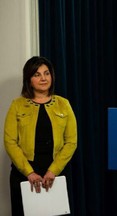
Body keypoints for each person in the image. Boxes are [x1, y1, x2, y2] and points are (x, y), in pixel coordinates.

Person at [4, 56, 77, 216]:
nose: (43, 78)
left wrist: (53, 171)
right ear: (28, 79)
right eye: (37, 74)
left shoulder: (63, 104)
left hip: (55, 173)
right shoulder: (17, 105)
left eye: (46, 73)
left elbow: (71, 142)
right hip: (24, 174)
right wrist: (29, 172)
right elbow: (10, 141)